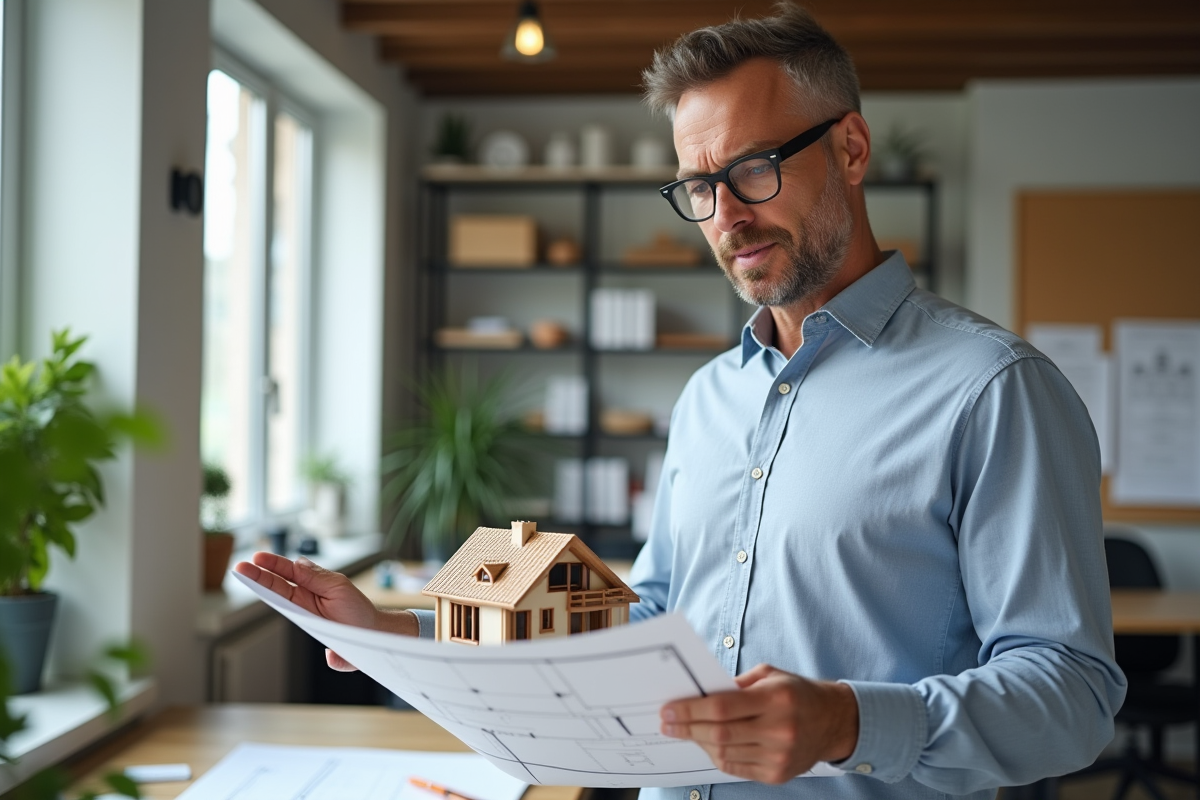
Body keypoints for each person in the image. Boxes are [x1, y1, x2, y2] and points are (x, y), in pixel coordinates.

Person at [238, 4, 1125, 799]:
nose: (725, 216)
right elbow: (653, 620)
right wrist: (402, 631)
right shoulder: (710, 396)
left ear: (852, 149)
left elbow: (1074, 694)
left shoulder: (993, 390)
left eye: (753, 168)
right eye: (699, 187)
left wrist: (848, 722)